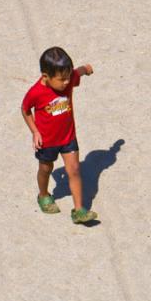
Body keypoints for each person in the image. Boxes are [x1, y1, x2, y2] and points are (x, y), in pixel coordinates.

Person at [21, 46, 97, 224]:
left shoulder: (69, 79)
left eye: (68, 77)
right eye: (62, 79)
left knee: (75, 170)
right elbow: (25, 110)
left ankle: (79, 210)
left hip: (68, 137)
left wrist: (86, 69)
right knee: (46, 169)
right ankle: (43, 195)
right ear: (45, 77)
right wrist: (35, 132)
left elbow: (77, 72)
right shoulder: (36, 92)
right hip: (47, 141)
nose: (66, 82)